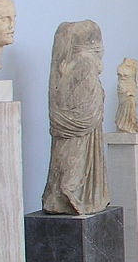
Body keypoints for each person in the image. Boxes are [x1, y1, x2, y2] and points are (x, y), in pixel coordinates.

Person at [41, 21, 109, 215]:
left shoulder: (69, 63)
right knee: (73, 161)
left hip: (79, 122)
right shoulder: (84, 62)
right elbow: (85, 102)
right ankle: (67, 193)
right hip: (79, 122)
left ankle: (65, 193)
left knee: (69, 160)